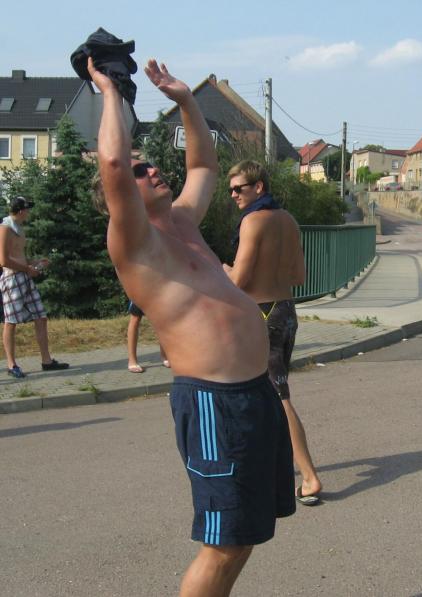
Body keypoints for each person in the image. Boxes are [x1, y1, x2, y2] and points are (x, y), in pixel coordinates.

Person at [89, 57, 294, 596]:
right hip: (213, 403)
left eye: (151, 165)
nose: (151, 170)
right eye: (141, 171)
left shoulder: (181, 221)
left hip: (253, 393)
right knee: (223, 542)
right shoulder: (135, 243)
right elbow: (113, 163)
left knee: (244, 536)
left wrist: (185, 100)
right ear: (118, 195)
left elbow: (203, 166)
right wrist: (110, 93)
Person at [224, 160, 323, 506]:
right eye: (231, 189)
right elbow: (299, 275)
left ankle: (309, 477)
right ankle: (265, 464)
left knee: (278, 398)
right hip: (285, 310)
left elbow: (239, 280)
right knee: (265, 395)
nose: (233, 195)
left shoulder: (253, 221)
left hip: (260, 315)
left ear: (259, 187)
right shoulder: (289, 221)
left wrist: (223, 269)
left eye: (239, 188)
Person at [0, 197, 70, 378]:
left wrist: (35, 262)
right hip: (12, 280)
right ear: (21, 211)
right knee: (11, 322)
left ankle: (47, 361)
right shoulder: (5, 227)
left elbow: (19, 256)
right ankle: (11, 365)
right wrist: (28, 269)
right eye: (27, 209)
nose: (29, 212)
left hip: (24, 277)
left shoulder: (19, 228)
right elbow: (4, 260)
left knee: (41, 317)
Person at [126, 300, 169, 373]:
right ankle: (132, 361)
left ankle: (165, 357)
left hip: (157, 293)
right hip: (139, 293)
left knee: (162, 317)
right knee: (135, 318)